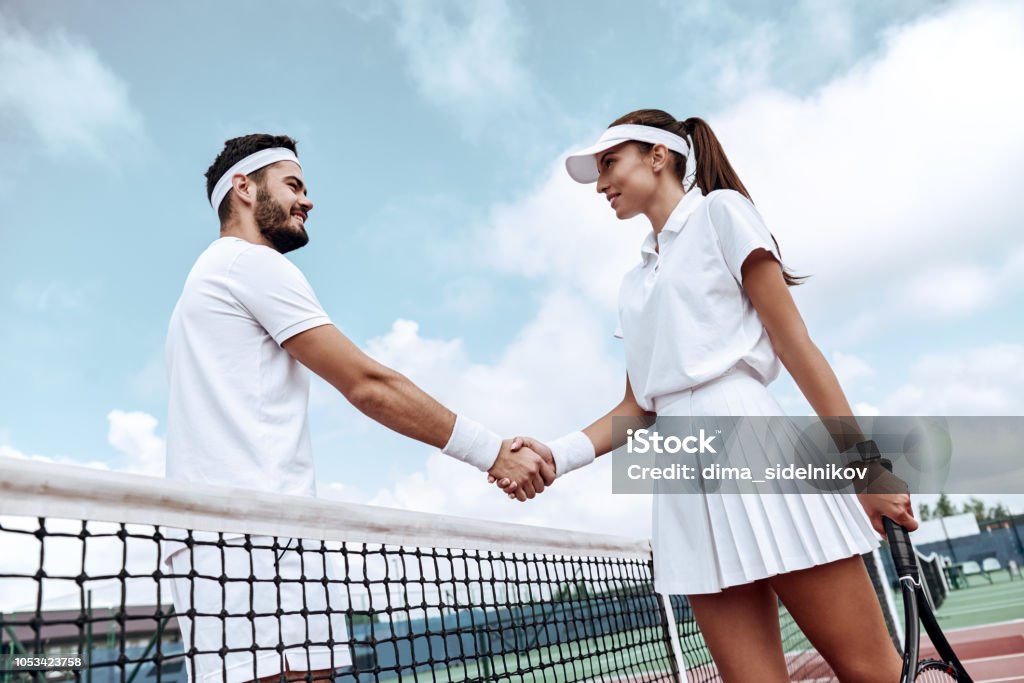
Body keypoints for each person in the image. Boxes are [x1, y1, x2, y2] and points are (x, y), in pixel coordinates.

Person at [493, 110, 918, 682]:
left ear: (658, 156)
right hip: (679, 474)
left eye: (609, 164)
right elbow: (638, 408)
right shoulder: (633, 282)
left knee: (872, 673)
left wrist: (865, 464)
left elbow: (796, 347)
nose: (600, 185)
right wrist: (554, 455)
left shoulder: (722, 212)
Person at [163, 134, 554, 683]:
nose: (308, 200)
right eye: (294, 185)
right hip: (260, 545)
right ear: (244, 188)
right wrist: (493, 452)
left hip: (221, 550)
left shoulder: (200, 284)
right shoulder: (249, 265)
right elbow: (369, 385)